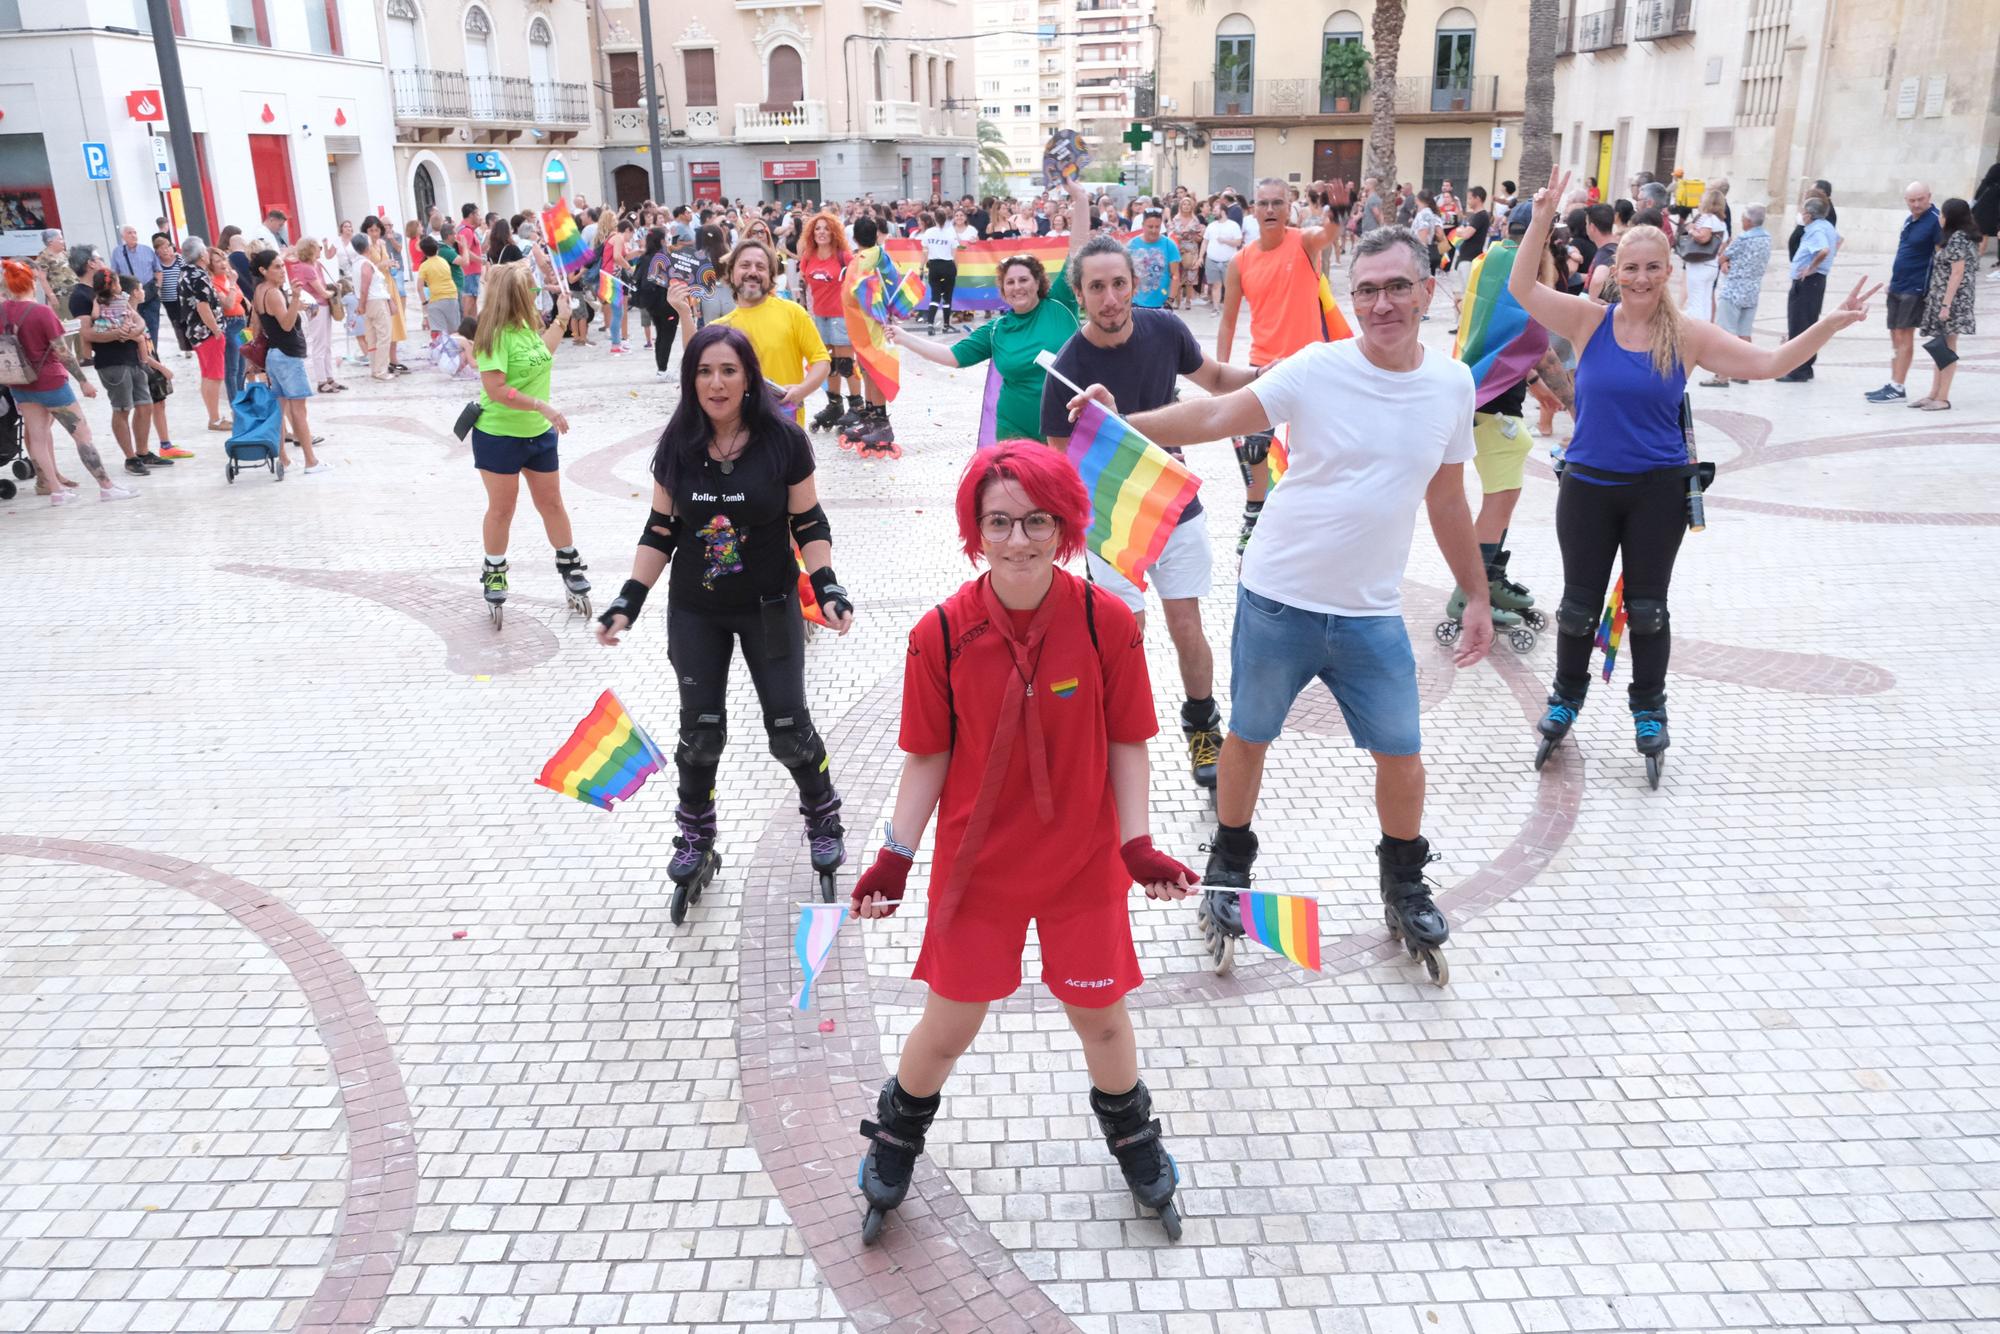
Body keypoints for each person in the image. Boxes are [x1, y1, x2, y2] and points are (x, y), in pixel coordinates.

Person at [1118, 227, 1495, 979]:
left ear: (1428, 291)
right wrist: (1121, 424)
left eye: (1396, 287)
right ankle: (1229, 863)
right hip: (1279, 600)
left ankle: (1403, 880)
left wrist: (1476, 592)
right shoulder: (1319, 368)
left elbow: (1448, 496)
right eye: (1366, 289)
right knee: (1248, 739)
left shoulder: (1452, 384)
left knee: (1403, 756)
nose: (1381, 303)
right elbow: (1220, 416)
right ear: (1349, 297)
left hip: (1370, 613)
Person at [847, 441, 1197, 1243]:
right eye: (999, 522)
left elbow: (1128, 742)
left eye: (1036, 521)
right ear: (976, 529)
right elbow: (929, 753)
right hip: (979, 871)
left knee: (1101, 1019)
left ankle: (1135, 1138)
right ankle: (897, 1135)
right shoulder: (939, 634)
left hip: (1082, 862)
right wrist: (896, 855)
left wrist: (1138, 845)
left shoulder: (1106, 621)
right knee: (947, 1026)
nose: (1017, 540)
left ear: (1064, 526)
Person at [1507, 167, 1880, 782]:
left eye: (1654, 268)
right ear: (1615, 272)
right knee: (1577, 607)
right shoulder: (1588, 321)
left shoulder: (1686, 336)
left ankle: (1648, 711)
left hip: (1658, 492)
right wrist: (1543, 214)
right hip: (1588, 488)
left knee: (1649, 608)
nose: (1642, 278)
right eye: (1631, 268)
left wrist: (1829, 324)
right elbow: (1524, 287)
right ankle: (1566, 697)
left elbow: (1769, 362)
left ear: (1670, 271)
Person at [594, 324, 857, 915]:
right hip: (697, 611)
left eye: (729, 371)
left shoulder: (783, 441)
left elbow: (809, 523)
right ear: (691, 381)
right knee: (701, 733)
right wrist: (627, 601)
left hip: (769, 605)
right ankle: (696, 835)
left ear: (748, 378)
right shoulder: (677, 446)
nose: (716, 383)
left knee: (789, 730)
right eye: (704, 372)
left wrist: (827, 585)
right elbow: (660, 531)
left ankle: (823, 817)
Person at [1043, 233, 1261, 794]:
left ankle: (1202, 725)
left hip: (1176, 506)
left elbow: (1215, 380)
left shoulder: (1165, 329)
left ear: (1135, 286)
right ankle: (1116, 732)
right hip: (1112, 519)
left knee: (1186, 623)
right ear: (1080, 295)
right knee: (1123, 631)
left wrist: (1273, 375)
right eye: (1097, 288)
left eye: (1119, 284)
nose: (1110, 298)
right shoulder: (1066, 367)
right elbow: (1057, 462)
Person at [890, 182, 1090, 442]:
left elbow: (1078, 248)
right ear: (1003, 291)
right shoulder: (997, 329)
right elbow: (952, 356)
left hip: (1067, 430)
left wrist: (1081, 198)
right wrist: (903, 337)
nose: (1017, 287)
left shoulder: (1061, 303)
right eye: (1010, 282)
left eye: (1024, 280)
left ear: (1038, 282)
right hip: (1014, 431)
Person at [1446, 204, 1557, 640]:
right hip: (1492, 411)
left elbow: (1505, 346)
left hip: (1487, 404)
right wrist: (1569, 398)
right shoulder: (1519, 269)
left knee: (1502, 499)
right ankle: (1472, 590)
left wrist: (1538, 388)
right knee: (1498, 501)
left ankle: (1488, 579)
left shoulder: (1489, 260)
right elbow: (1533, 344)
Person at [1217, 176, 1341, 551]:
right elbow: (1227, 319)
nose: (1270, 210)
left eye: (1277, 203)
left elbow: (1330, 231)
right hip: (1264, 368)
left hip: (1310, 367)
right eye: (1263, 203)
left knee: (1317, 453)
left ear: (1289, 208)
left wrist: (1338, 206)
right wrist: (1220, 376)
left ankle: (1313, 523)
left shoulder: (1303, 242)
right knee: (1253, 447)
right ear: (1253, 209)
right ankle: (1254, 515)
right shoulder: (1241, 261)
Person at [467, 261, 584, 617]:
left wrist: (562, 319)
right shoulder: (493, 337)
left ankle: (569, 562)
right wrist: (542, 406)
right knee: (503, 509)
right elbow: (497, 389)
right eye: (530, 290)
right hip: (499, 436)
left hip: (538, 436)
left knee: (552, 504)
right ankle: (495, 571)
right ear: (516, 296)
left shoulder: (524, 328)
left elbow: (543, 353)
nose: (536, 295)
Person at [0, 259, 134, 504]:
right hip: (51, 383)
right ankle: (105, 486)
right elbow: (62, 353)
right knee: (82, 434)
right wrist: (83, 381)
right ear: (33, 282)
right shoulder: (41, 312)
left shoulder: (3, 311)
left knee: (38, 438)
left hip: (20, 383)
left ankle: (56, 491)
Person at [714, 238, 830, 425]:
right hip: (738, 430)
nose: (752, 272)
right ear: (731, 271)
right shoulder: (720, 327)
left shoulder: (793, 313)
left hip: (786, 428)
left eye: (760, 267)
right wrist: (685, 314)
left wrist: (801, 390)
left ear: (771, 275)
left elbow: (821, 361)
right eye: (745, 265)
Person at [247, 249, 328, 474]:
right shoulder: (273, 292)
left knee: (279, 410)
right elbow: (285, 324)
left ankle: (283, 458)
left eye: (282, 265)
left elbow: (257, 323)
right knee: (298, 411)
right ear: (263, 270)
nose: (282, 270)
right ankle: (311, 461)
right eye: (276, 267)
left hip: (274, 355)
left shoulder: (259, 291)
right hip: (287, 355)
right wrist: (295, 299)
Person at [1868, 183, 1941, 404]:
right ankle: (1893, 383)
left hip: (1915, 287)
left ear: (1929, 196)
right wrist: (1892, 282)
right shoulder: (1910, 220)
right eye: (1912, 200)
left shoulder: (1936, 220)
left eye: (1920, 199)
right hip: (1898, 285)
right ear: (1906, 200)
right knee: (1895, 335)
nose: (1916, 204)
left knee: (1904, 334)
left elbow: (1940, 256)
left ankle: (1898, 386)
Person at [1913, 198, 1979, 411]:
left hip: (1953, 302)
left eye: (1942, 214)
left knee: (1947, 348)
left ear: (1950, 217)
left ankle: (1942, 397)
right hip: (1946, 299)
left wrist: (1946, 305)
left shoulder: (1959, 238)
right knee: (1940, 347)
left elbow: (1957, 273)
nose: (1940, 218)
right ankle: (1934, 393)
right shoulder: (1962, 237)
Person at [797, 210, 857, 431]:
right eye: (817, 228)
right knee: (829, 364)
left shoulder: (844, 257)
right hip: (820, 317)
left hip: (841, 316)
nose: (821, 232)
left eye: (826, 228)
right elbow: (805, 288)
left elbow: (859, 283)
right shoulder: (808, 257)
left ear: (834, 232)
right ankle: (834, 405)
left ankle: (856, 405)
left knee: (846, 364)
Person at [1701, 203, 1772, 387]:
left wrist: (1725, 260)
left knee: (1725, 332)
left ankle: (1722, 375)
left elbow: (1723, 257)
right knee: (1744, 332)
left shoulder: (1744, 239)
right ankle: (1744, 372)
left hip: (1734, 288)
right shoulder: (1766, 237)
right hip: (1752, 289)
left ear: (1748, 220)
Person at [1775, 196, 1839, 382]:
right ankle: (1806, 365)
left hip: (1808, 283)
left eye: (1804, 211)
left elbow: (1823, 250)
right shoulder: (1827, 226)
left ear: (1809, 215)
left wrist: (1811, 267)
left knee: (1799, 326)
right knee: (1809, 324)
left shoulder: (1815, 229)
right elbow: (1837, 241)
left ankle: (1797, 369)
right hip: (1817, 282)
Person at [177, 238, 228, 431]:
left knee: (208, 374)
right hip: (206, 332)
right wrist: (215, 330)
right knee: (214, 375)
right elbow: (203, 306)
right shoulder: (198, 276)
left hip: (196, 331)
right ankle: (215, 418)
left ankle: (213, 416)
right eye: (205, 251)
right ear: (200, 255)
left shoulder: (186, 274)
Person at [287, 238, 339, 394]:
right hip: (316, 307)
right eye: (318, 247)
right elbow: (322, 291)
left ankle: (329, 377)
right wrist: (335, 292)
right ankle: (322, 381)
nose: (320, 250)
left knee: (326, 344)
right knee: (319, 344)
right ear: (310, 249)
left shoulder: (315, 265)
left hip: (323, 305)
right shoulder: (307, 268)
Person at [109, 225, 164, 346]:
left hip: (149, 292)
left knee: (152, 325)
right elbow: (115, 274)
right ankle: (142, 353)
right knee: (134, 326)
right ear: (123, 236)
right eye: (129, 233)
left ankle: (153, 353)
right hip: (130, 296)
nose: (133, 235)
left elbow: (158, 270)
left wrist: (157, 288)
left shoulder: (147, 250)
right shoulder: (118, 252)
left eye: (135, 232)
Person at [1679, 188, 1728, 321]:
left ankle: (1697, 333)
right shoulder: (1721, 223)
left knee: (1696, 302)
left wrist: (1690, 230)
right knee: (1705, 301)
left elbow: (1703, 237)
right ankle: (1705, 330)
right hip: (1711, 265)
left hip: (1699, 264)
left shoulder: (1707, 218)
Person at [1127, 208, 1180, 311]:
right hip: (1135, 303)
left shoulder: (1169, 245)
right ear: (1143, 225)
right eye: (1150, 227)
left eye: (1157, 227)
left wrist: (1170, 300)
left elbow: (1175, 275)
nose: (1154, 230)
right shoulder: (1131, 245)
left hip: (1161, 304)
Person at [918, 210, 961, 333]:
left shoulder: (929, 232)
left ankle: (930, 324)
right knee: (947, 298)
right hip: (948, 267)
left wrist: (921, 268)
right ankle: (946, 325)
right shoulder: (950, 233)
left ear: (935, 219)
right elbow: (954, 255)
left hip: (934, 267)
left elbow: (925, 252)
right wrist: (956, 270)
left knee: (935, 297)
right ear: (946, 219)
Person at [417, 236, 459, 348]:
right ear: (437, 249)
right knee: (454, 330)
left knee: (438, 331)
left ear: (423, 251)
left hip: (436, 299)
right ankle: (456, 353)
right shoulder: (444, 261)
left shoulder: (424, 266)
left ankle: (441, 354)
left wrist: (424, 303)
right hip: (452, 296)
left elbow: (419, 287)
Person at [1200, 203, 1243, 312]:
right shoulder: (1211, 225)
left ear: (1223, 211)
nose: (1213, 211)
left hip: (1229, 261)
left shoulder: (1233, 225)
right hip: (1212, 259)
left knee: (1229, 286)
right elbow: (1205, 242)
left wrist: (1225, 241)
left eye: (1216, 209)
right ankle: (1216, 307)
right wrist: (1201, 257)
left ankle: (1230, 307)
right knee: (1216, 285)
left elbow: (1238, 242)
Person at [456, 203, 485, 319]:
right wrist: (480, 260)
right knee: (470, 300)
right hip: (469, 272)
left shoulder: (468, 230)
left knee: (473, 300)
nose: (479, 217)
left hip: (471, 271)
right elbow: (465, 251)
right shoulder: (466, 231)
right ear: (471, 215)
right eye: (477, 214)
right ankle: (467, 326)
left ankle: (473, 326)